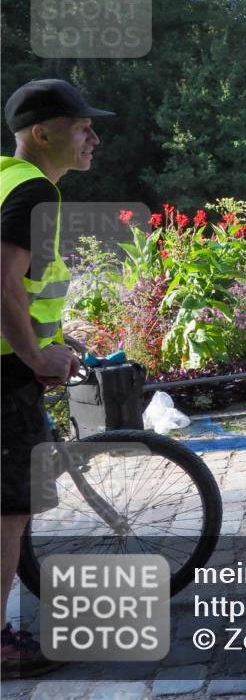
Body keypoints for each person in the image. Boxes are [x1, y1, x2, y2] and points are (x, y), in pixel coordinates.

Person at [1, 79, 112, 676]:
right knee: (9, 509)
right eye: (81, 125)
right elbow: (2, 284)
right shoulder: (33, 190)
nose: (93, 134)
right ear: (42, 134)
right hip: (4, 377)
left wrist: (51, 340)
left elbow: (23, 290)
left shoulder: (8, 182)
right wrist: (34, 357)